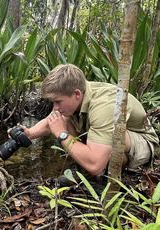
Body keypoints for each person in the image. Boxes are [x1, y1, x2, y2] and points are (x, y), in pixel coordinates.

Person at [18, 64, 159, 176]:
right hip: (112, 139)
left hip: (143, 143)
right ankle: (84, 167)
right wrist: (29, 133)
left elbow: (95, 166)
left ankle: (99, 173)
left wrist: (62, 134)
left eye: (58, 102)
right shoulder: (76, 94)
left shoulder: (103, 105)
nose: (55, 107)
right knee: (63, 119)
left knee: (114, 137)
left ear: (77, 94)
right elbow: (52, 120)